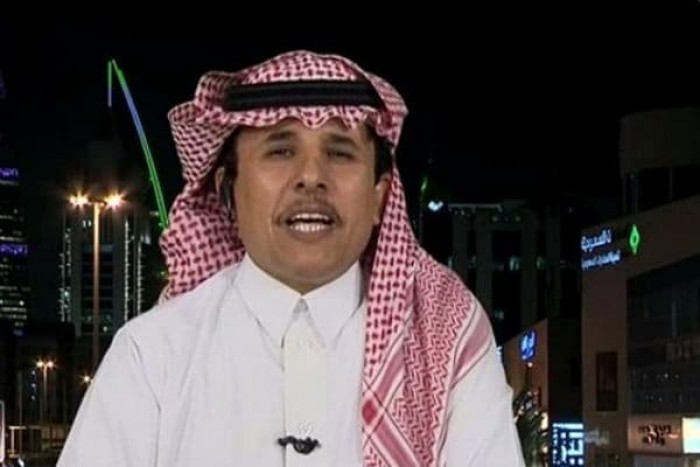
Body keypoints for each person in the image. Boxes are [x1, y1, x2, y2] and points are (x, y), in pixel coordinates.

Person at [57, 50, 525, 466]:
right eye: (281, 150)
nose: (311, 176)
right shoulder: (152, 356)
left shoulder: (447, 345)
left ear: (381, 196)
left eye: (340, 153)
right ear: (227, 194)